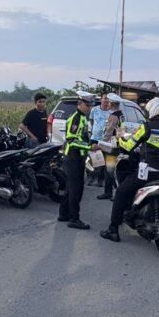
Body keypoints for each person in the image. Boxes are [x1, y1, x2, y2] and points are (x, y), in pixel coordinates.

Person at [100, 98, 159, 243]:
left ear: (154, 111)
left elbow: (128, 146)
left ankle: (112, 229)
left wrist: (120, 137)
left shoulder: (147, 127)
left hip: (148, 172)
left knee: (121, 192)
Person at [58, 91, 93, 230]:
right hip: (73, 156)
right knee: (76, 189)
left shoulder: (83, 118)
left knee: (70, 187)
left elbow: (82, 137)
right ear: (79, 104)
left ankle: (63, 214)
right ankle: (74, 218)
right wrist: (90, 146)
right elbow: (72, 140)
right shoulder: (76, 118)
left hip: (78, 156)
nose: (89, 107)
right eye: (86, 104)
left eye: (90, 105)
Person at [96, 93, 124, 201]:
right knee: (112, 169)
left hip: (110, 145)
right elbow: (121, 131)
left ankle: (110, 192)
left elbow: (108, 132)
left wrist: (100, 143)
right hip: (117, 143)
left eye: (109, 102)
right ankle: (111, 192)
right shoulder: (121, 114)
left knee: (110, 170)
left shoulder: (113, 116)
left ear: (112, 104)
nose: (107, 104)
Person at [88, 93, 111, 186]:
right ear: (101, 99)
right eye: (105, 98)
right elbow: (91, 121)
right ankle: (92, 177)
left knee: (104, 161)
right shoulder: (94, 110)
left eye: (108, 99)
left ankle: (101, 180)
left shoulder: (111, 112)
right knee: (95, 159)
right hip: (95, 137)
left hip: (106, 139)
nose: (106, 101)